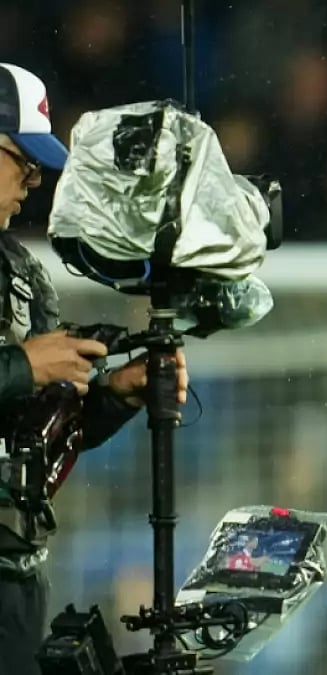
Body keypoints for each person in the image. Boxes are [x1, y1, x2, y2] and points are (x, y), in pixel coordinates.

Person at [0, 62, 189, 674]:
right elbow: (18, 376)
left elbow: (37, 438)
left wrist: (112, 396)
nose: (33, 179)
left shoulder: (24, 276)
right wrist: (22, 365)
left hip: (17, 575)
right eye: (19, 158)